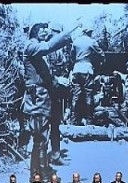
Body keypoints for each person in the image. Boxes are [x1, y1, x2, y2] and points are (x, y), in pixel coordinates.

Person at [22, 22, 79, 175]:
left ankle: (41, 169)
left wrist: (57, 80)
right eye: (43, 31)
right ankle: (39, 173)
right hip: (37, 99)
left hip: (42, 97)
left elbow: (43, 74)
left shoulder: (36, 49)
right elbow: (47, 47)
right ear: (35, 32)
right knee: (40, 137)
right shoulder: (31, 46)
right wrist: (69, 30)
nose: (46, 33)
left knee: (43, 136)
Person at [46, 23, 71, 166]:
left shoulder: (59, 50)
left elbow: (63, 68)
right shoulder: (47, 48)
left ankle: (55, 154)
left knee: (55, 123)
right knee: (46, 124)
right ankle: (49, 156)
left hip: (57, 91)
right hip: (48, 90)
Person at [70, 26, 104, 125]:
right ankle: (89, 120)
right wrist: (101, 62)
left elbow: (72, 56)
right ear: (89, 32)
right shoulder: (91, 42)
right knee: (88, 94)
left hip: (76, 69)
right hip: (87, 68)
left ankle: (73, 120)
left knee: (76, 96)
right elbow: (101, 54)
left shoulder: (76, 41)